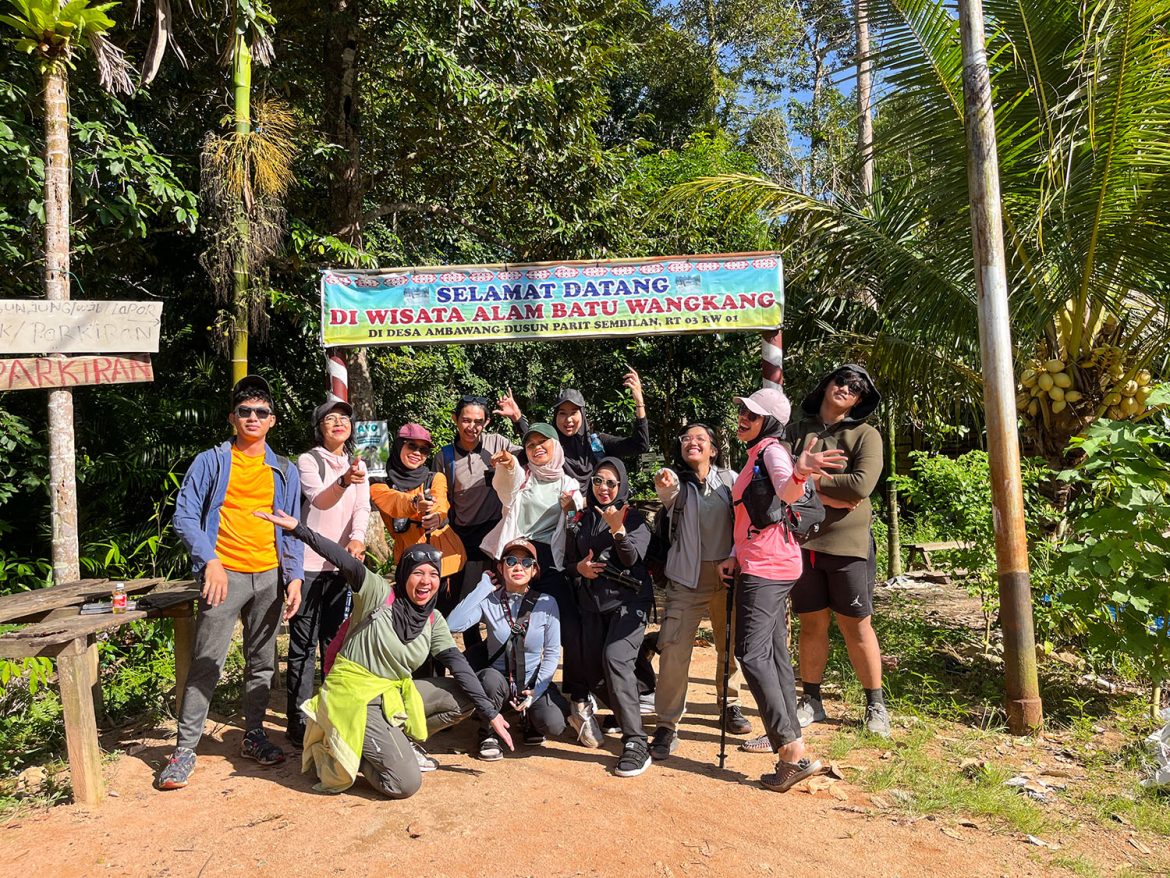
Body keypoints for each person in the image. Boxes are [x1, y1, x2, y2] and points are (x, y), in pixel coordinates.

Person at [256, 511, 513, 798]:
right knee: (404, 785)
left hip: (391, 694)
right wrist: (299, 530)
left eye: (433, 574)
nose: (426, 581)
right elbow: (344, 560)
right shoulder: (378, 593)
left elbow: (459, 665)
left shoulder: (433, 620)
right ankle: (351, 752)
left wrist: (490, 713)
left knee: (466, 697)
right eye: (418, 572)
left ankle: (396, 743)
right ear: (404, 574)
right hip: (355, 697)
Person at [158, 374, 305, 790]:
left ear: (272, 420)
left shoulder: (284, 470)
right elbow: (185, 516)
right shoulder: (212, 461)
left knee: (261, 663)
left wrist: (293, 579)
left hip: (269, 577)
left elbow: (291, 528)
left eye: (261, 412)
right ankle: (185, 748)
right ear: (233, 418)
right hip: (225, 573)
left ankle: (253, 734)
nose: (253, 417)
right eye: (245, 411)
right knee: (207, 661)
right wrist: (210, 561)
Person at [721, 387, 846, 792]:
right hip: (767, 560)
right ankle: (792, 739)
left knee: (751, 654)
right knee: (773, 654)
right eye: (742, 411)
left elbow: (788, 493)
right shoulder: (758, 454)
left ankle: (790, 750)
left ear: (770, 422)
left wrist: (800, 471)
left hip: (768, 567)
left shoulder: (772, 451)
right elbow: (757, 514)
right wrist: (735, 554)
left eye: (753, 415)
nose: (743, 417)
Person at [786, 365, 889, 737]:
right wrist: (826, 489)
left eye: (856, 387)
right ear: (827, 385)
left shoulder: (866, 435)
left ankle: (875, 705)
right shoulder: (796, 431)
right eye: (842, 380)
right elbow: (779, 478)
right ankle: (811, 701)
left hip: (848, 546)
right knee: (812, 624)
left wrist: (807, 479)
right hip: (802, 544)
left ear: (861, 399)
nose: (847, 388)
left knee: (856, 626)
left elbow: (860, 486)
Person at [479, 423, 592, 741]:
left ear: (556, 446)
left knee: (569, 628)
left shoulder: (569, 482)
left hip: (550, 562)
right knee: (505, 630)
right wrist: (507, 463)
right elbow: (506, 483)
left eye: (544, 443)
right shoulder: (522, 475)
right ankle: (493, 712)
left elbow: (575, 525)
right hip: (516, 559)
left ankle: (577, 699)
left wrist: (572, 512)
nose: (537, 448)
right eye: (530, 445)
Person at [647, 423, 748, 762]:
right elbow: (667, 490)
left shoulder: (731, 481)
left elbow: (744, 522)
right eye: (686, 438)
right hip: (686, 580)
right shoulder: (677, 484)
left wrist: (735, 558)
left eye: (700, 439)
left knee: (729, 645)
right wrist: (664, 482)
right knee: (674, 649)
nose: (692, 442)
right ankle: (666, 723)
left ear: (714, 450)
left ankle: (729, 703)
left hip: (728, 575)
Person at [286, 399, 371, 748]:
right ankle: (298, 722)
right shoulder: (308, 460)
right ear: (320, 427)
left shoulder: (358, 463)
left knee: (334, 644)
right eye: (330, 419)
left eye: (344, 419)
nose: (339, 424)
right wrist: (344, 481)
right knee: (303, 646)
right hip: (308, 565)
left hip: (341, 567)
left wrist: (358, 539)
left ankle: (332, 716)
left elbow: (362, 507)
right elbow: (319, 501)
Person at [568, 457, 656, 777]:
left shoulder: (635, 520)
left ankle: (636, 741)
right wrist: (578, 568)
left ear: (622, 486)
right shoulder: (582, 518)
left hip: (629, 602)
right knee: (593, 671)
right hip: (593, 604)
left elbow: (632, 558)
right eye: (597, 481)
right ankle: (624, 711)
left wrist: (618, 529)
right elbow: (567, 560)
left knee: (615, 657)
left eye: (611, 482)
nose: (603, 488)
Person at [446, 537, 568, 760]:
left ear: (534, 571)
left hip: (531, 681)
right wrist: (482, 588)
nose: (518, 567)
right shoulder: (489, 600)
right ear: (501, 568)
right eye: (511, 561)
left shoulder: (547, 603)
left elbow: (551, 654)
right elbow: (453, 625)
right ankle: (488, 733)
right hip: (497, 680)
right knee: (490, 680)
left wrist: (538, 690)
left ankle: (529, 719)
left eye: (526, 563)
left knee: (554, 724)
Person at [434, 393, 523, 608]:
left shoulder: (498, 444)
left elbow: (534, 452)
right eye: (466, 420)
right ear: (455, 419)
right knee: (460, 599)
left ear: (487, 422)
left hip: (494, 534)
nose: (472, 427)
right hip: (460, 535)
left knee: (495, 599)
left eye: (478, 422)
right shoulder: (444, 457)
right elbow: (439, 498)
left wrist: (518, 419)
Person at [370, 424, 466, 617]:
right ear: (398, 446)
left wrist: (435, 516)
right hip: (408, 563)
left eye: (423, 449)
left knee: (442, 622)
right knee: (410, 620)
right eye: (411, 446)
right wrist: (415, 503)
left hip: (445, 563)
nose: (417, 452)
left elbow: (441, 504)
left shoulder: (434, 478)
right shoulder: (379, 483)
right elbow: (390, 501)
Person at [515, 369, 650, 493]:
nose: (568, 420)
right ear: (555, 416)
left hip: (595, 515)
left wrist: (639, 401)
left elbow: (640, 445)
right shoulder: (550, 447)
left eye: (573, 412)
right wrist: (518, 419)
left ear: (582, 415)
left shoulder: (597, 443)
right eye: (562, 413)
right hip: (557, 516)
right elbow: (530, 448)